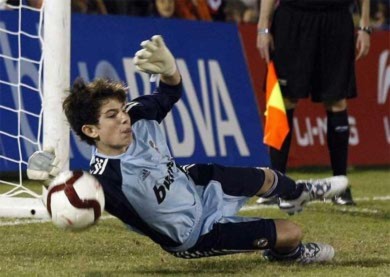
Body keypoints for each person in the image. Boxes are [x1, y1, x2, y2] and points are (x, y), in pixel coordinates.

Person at [28, 35, 348, 263]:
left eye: (122, 110)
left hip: (194, 182)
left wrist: (170, 69)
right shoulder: (105, 182)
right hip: (195, 233)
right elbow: (78, 199)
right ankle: (286, 254)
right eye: (112, 116)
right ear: (91, 130)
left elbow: (170, 92)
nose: (124, 118)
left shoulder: (138, 115)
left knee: (267, 176)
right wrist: (51, 184)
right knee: (291, 233)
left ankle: (297, 193)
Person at [256, 0, 371, 206]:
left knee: (336, 100)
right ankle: (276, 184)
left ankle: (341, 186)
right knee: (285, 100)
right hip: (292, 17)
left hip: (335, 18)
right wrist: (263, 27)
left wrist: (364, 26)